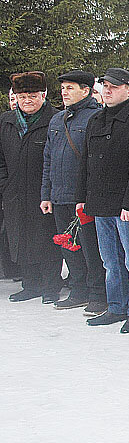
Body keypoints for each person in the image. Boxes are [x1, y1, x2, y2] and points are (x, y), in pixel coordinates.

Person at [76, 68, 129, 333]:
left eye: (114, 86)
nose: (108, 90)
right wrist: (82, 199)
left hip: (127, 206)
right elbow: (86, 163)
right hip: (100, 204)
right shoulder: (96, 120)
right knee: (110, 261)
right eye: (105, 86)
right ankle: (115, 307)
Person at [40, 70, 106, 313]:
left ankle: (98, 293)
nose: (64, 92)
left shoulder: (97, 117)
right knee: (69, 247)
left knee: (91, 247)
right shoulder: (57, 120)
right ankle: (78, 290)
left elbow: (97, 161)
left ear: (86, 91)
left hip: (84, 198)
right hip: (59, 196)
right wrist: (46, 194)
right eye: (63, 88)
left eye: (70, 88)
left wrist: (90, 196)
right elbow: (48, 158)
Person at [0, 72, 62, 302]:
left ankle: (50, 286)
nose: (27, 100)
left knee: (46, 237)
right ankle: (30, 284)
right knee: (21, 237)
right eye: (22, 95)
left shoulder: (55, 119)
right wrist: (5, 184)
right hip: (14, 191)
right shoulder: (6, 121)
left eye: (33, 95)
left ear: (43, 95)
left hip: (44, 191)